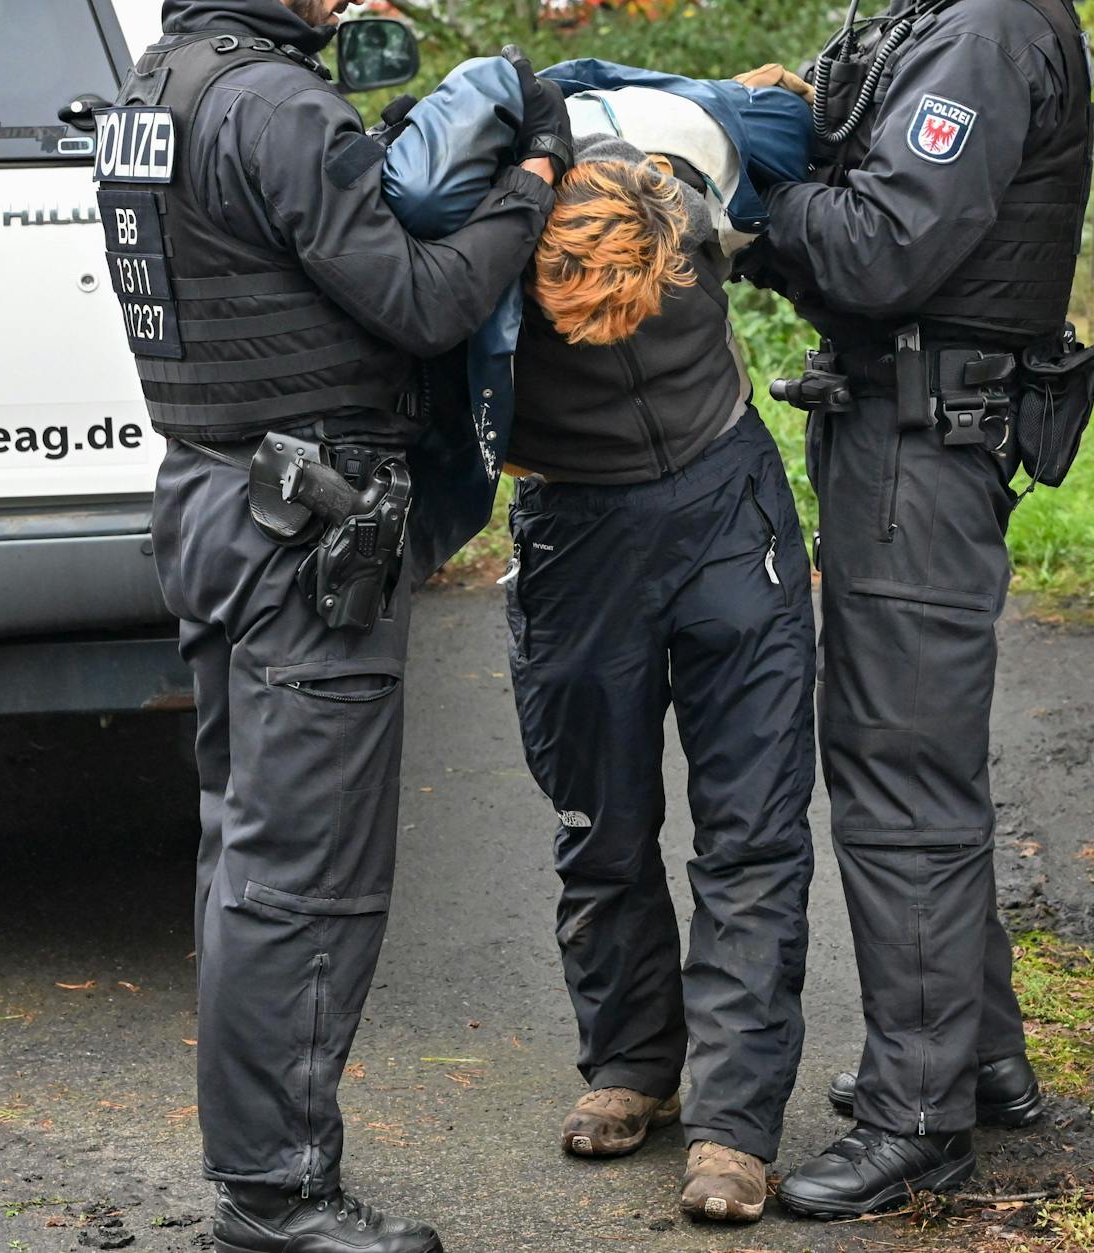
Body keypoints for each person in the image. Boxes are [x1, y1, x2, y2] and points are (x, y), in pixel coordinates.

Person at [92, 3, 563, 1250]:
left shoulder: (162, 85)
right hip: (305, 526)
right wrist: (530, 182)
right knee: (305, 874)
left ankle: (259, 1168)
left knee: (245, 855)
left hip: (210, 492)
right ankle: (276, 1189)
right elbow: (422, 304)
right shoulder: (277, 104)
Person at [376, 57, 818, 1224]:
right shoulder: (457, 218)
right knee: (601, 825)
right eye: (565, 301)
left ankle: (733, 1124)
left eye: (620, 290)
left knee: (752, 831)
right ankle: (630, 1063)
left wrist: (751, 92)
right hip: (576, 531)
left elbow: (787, 122)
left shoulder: (686, 154)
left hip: (729, 508)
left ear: (669, 249)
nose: (591, 313)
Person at [737, 0, 1094, 1218]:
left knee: (900, 773)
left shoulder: (982, 30)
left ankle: (917, 1116)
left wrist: (738, 203)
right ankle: (978, 1055)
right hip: (907, 423)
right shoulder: (937, 18)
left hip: (923, 437)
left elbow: (883, 245)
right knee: (917, 752)